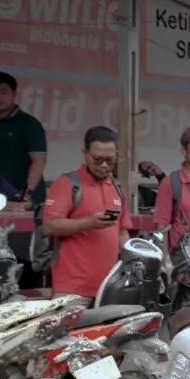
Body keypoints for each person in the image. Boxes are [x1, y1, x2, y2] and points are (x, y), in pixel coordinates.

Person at [43, 126, 132, 306]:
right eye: (98, 160)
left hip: (109, 287)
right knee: (67, 334)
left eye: (110, 160)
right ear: (85, 154)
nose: (104, 165)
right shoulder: (67, 184)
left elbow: (122, 232)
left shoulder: (117, 188)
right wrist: (88, 223)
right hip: (72, 289)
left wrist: (132, 260)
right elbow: (49, 225)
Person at [0, 71, 47, 205]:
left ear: (14, 93)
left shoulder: (30, 124)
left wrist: (26, 194)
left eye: (4, 92)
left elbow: (39, 162)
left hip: (28, 199)